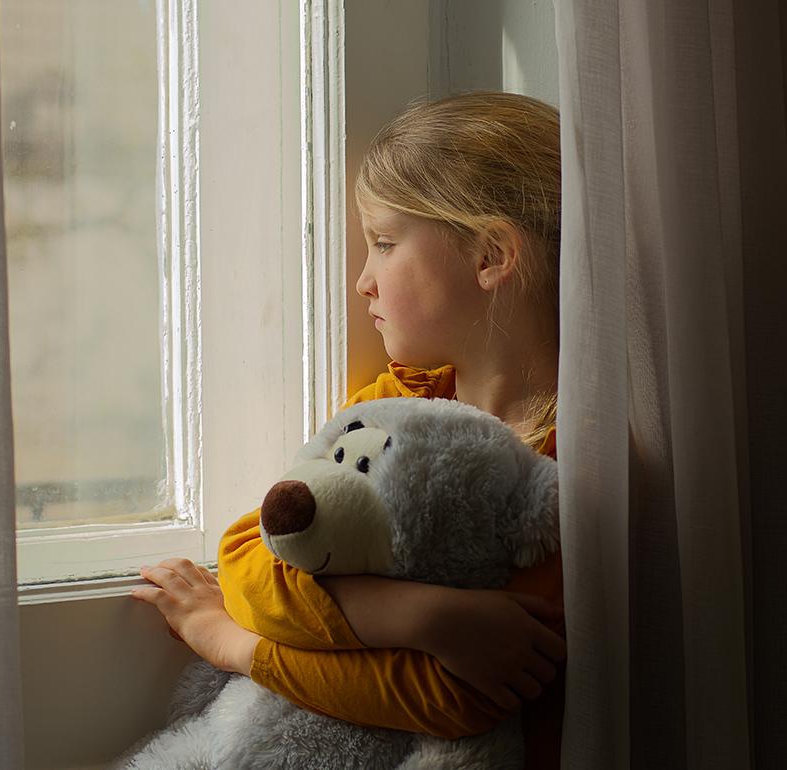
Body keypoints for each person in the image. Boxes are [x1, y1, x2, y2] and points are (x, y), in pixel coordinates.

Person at [131, 91, 566, 768]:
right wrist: (421, 617)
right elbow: (251, 552)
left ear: (490, 256)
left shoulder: (574, 465)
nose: (362, 281)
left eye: (384, 244)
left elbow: (458, 699)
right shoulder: (403, 400)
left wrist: (231, 644)